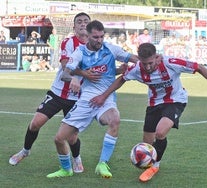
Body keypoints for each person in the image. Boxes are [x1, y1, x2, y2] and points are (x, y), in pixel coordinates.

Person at [90, 43, 207, 182]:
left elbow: (199, 67)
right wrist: (103, 96)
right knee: (147, 144)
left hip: (175, 101)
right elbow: (121, 79)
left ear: (157, 57)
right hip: (154, 103)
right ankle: (150, 162)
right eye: (144, 64)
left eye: (150, 63)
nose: (148, 67)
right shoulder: (137, 68)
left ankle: (154, 166)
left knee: (160, 132)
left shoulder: (170, 63)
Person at [46, 20, 139, 179]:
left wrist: (140, 65)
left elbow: (134, 59)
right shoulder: (79, 52)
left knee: (114, 119)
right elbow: (65, 74)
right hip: (86, 100)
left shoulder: (110, 48)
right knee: (59, 139)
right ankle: (66, 169)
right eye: (95, 37)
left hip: (106, 99)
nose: (99, 40)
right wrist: (83, 74)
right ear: (88, 36)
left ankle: (102, 163)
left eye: (102, 36)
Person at [9, 12, 93, 174]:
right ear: (74, 27)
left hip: (77, 98)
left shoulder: (97, 46)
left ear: (90, 26)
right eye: (79, 22)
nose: (83, 24)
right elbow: (64, 64)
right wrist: (80, 75)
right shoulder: (69, 42)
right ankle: (25, 151)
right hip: (57, 93)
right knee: (35, 123)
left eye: (86, 22)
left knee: (71, 137)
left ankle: (77, 159)